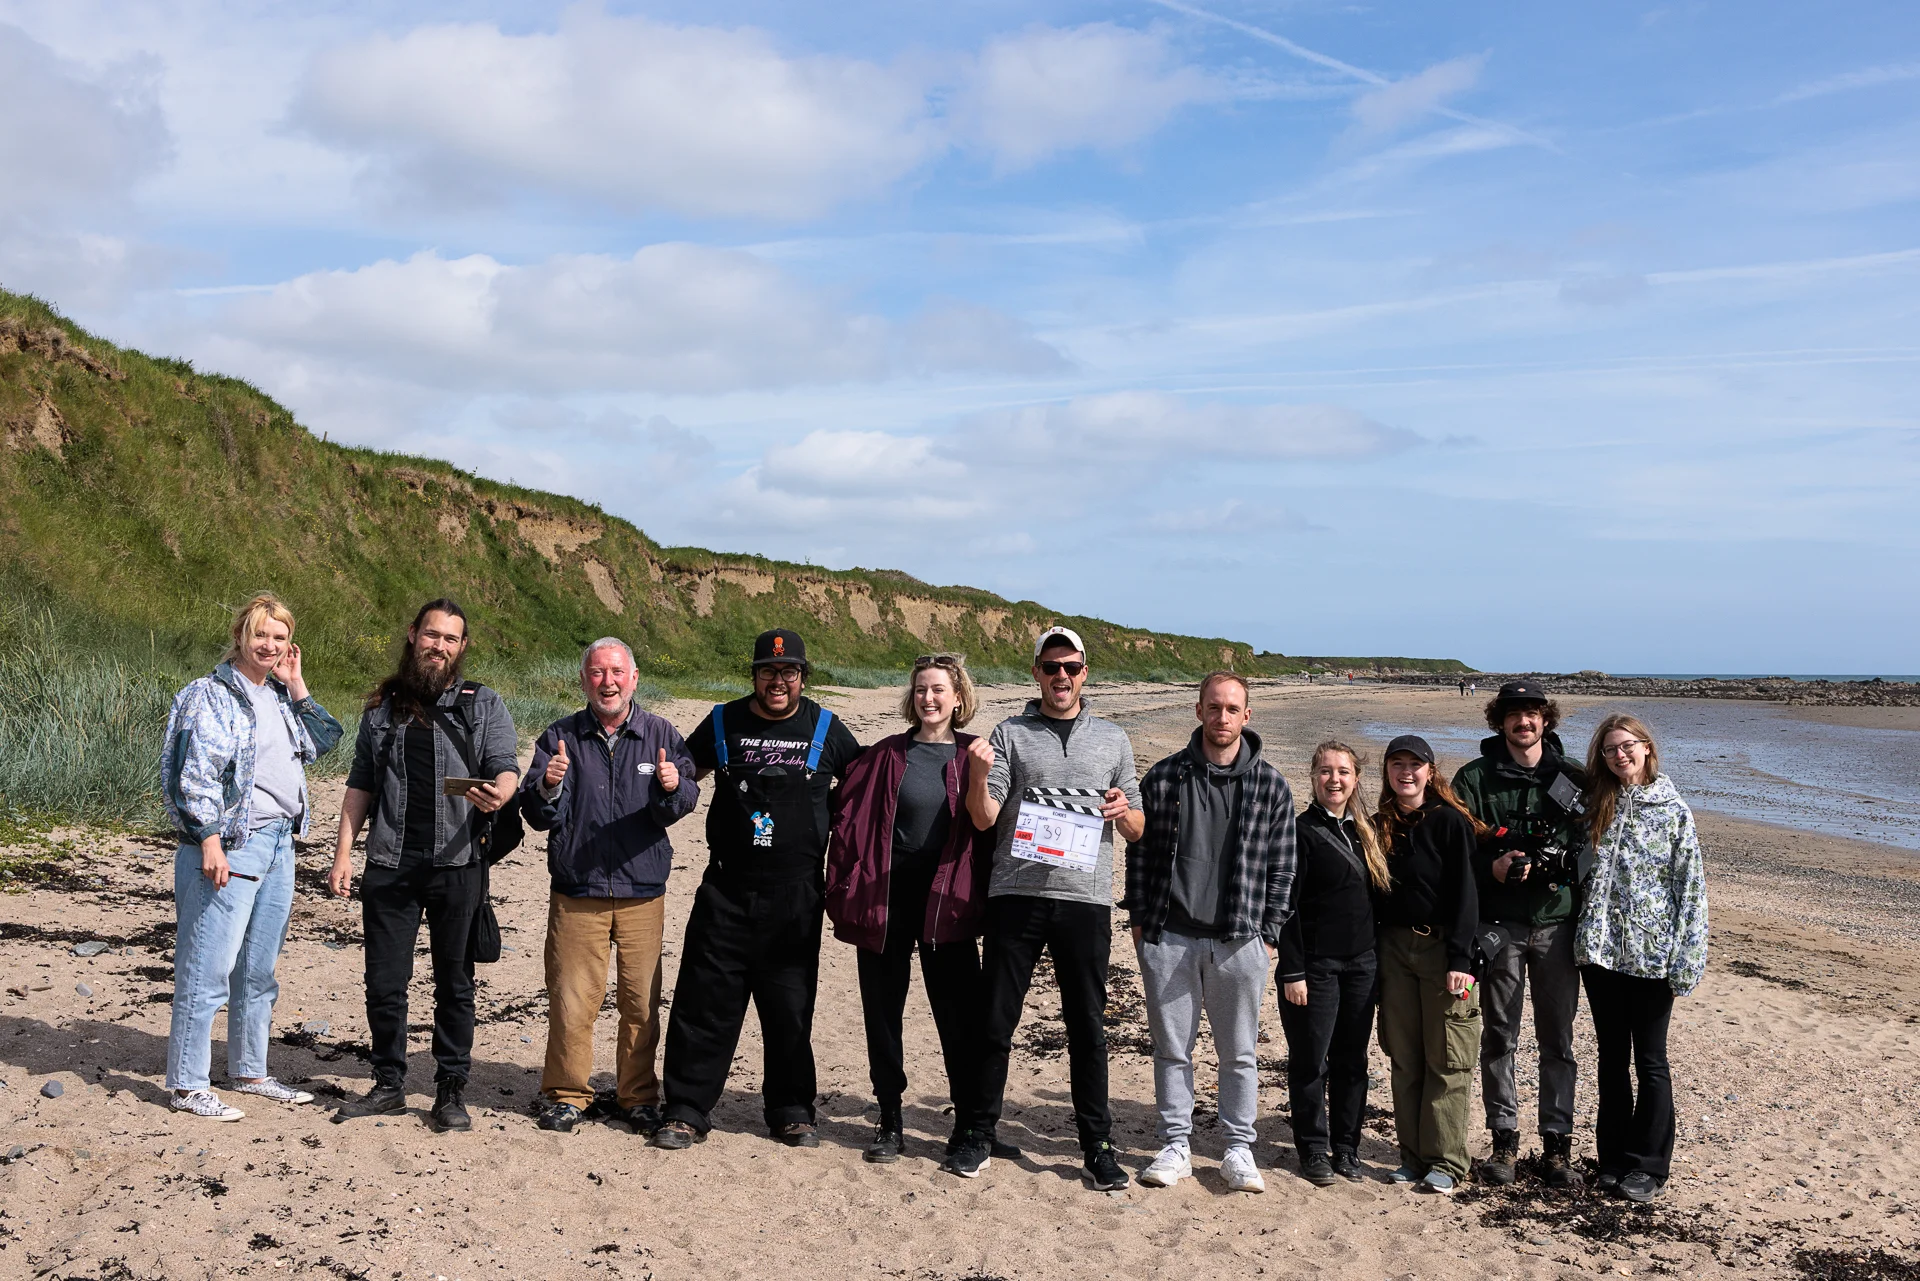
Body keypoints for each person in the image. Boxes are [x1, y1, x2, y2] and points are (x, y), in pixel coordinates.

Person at [654, 628, 862, 1150]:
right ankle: (685, 1109)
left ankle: (791, 1109)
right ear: (754, 675)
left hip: (797, 895)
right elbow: (682, 775)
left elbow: (867, 790)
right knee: (705, 1001)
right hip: (726, 887)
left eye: (788, 672)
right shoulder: (723, 720)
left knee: (790, 1005)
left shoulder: (827, 728)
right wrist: (668, 784)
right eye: (767, 671)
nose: (777, 681)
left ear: (802, 677)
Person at [958, 626, 1145, 1189]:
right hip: (1016, 894)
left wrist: (1120, 811)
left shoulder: (1113, 740)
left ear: (1086, 673)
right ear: (1035, 672)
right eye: (1050, 666)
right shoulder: (1008, 733)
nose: (1061, 676)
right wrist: (978, 775)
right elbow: (984, 818)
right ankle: (976, 1130)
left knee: (1087, 1026)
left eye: (1071, 667)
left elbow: (1137, 828)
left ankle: (1098, 1143)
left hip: (1084, 901)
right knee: (995, 1021)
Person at [329, 599, 520, 1132]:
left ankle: (449, 1090)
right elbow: (360, 783)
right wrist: (344, 853)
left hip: (458, 864)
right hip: (390, 864)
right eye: (432, 635)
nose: (440, 646)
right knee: (384, 983)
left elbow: (506, 766)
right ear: (413, 635)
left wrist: (499, 795)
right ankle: (389, 1083)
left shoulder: (482, 705)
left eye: (452, 640)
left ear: (462, 648)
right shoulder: (381, 708)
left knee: (454, 985)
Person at [160, 593, 343, 1120]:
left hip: (281, 842)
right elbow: (190, 774)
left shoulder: (279, 697)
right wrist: (209, 841)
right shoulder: (209, 694)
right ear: (241, 635)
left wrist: (297, 684)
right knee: (207, 967)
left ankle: (249, 1070)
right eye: (261, 634)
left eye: (280, 637)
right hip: (232, 843)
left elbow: (326, 741)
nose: (270, 645)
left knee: (258, 969)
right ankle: (188, 1083)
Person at [518, 638, 699, 1136]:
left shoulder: (660, 732)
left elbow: (685, 798)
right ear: (584, 680)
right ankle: (566, 1094)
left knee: (640, 1002)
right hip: (578, 889)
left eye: (617, 672)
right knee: (574, 999)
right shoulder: (560, 736)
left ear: (634, 678)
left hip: (643, 890)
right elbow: (535, 814)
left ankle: (637, 1097)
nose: (608, 682)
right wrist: (548, 785)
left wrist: (671, 787)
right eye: (597, 673)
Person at [1123, 673, 1295, 1194]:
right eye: (1214, 707)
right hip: (1169, 935)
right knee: (1172, 1047)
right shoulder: (1163, 778)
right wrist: (1138, 921)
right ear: (1198, 711)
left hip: (1240, 940)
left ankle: (1237, 1147)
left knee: (1239, 1051)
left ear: (1248, 716)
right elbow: (1140, 851)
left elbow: (1282, 870)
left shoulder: (1271, 784)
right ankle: (1175, 1141)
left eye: (1232, 708)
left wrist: (1268, 936)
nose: (1222, 717)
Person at [825, 653, 994, 1164]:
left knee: (960, 1018)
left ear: (958, 697)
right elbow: (841, 809)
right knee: (883, 1013)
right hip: (886, 899)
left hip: (950, 901)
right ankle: (890, 1118)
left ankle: (968, 1125)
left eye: (939, 690)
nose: (929, 698)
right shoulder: (883, 754)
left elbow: (994, 821)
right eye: (921, 689)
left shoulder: (977, 754)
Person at [1451, 679, 1590, 1187]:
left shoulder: (1574, 778)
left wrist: (1557, 863)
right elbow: (1459, 847)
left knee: (1559, 1041)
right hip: (1502, 927)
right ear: (1499, 721)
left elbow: (1593, 843)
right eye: (1514, 714)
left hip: (1556, 924)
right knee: (1499, 1036)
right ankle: (1504, 1141)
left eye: (1532, 713)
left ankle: (1558, 1148)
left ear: (1546, 719)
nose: (1523, 722)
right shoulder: (1474, 779)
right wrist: (1495, 865)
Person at [1576, 715, 1708, 1203]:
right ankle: (1611, 1159)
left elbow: (1690, 887)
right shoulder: (1597, 806)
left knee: (1651, 1060)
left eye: (1626, 746)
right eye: (1610, 750)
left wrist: (1688, 957)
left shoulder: (1672, 810)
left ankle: (1649, 1165)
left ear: (1647, 748)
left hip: (1653, 956)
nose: (1619, 755)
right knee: (1611, 1059)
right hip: (1601, 953)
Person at [1277, 741, 1391, 1186]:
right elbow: (1286, 905)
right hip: (1315, 967)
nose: (1335, 780)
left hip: (1363, 964)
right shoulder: (1298, 831)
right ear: (1312, 777)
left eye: (1343, 772)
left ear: (1356, 779)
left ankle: (1347, 1146)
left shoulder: (1368, 831)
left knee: (1352, 1060)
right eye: (1326, 771)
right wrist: (1293, 970)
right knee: (1310, 1060)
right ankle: (1313, 1148)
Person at [1372, 734, 1481, 1194]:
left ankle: (1447, 1161)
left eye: (1415, 765)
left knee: (1447, 1058)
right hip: (1394, 950)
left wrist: (1463, 958)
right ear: (1388, 773)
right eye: (1397, 764)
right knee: (1405, 1056)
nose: (1406, 772)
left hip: (1442, 951)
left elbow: (1467, 894)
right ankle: (1412, 1156)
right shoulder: (1379, 823)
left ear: (1430, 772)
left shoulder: (1450, 822)